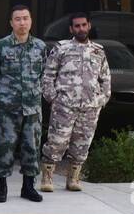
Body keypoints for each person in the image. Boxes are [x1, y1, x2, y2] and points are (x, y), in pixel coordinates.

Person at [40, 12, 112, 193]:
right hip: (64, 106)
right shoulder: (61, 48)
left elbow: (106, 78)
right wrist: (53, 98)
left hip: (89, 108)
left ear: (89, 26)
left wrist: (101, 100)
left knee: (82, 144)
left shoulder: (98, 50)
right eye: (77, 26)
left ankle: (73, 178)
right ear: (71, 29)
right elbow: (48, 75)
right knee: (56, 142)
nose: (81, 28)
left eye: (84, 25)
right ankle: (47, 177)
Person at [0, 4, 47, 203]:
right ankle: (1, 188)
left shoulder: (40, 46)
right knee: (4, 148)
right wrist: (3, 95)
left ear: (31, 21)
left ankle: (28, 187)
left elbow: (44, 74)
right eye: (18, 19)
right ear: (11, 23)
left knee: (31, 148)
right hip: (7, 108)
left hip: (32, 108)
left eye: (25, 18)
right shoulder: (0, 46)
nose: (22, 22)